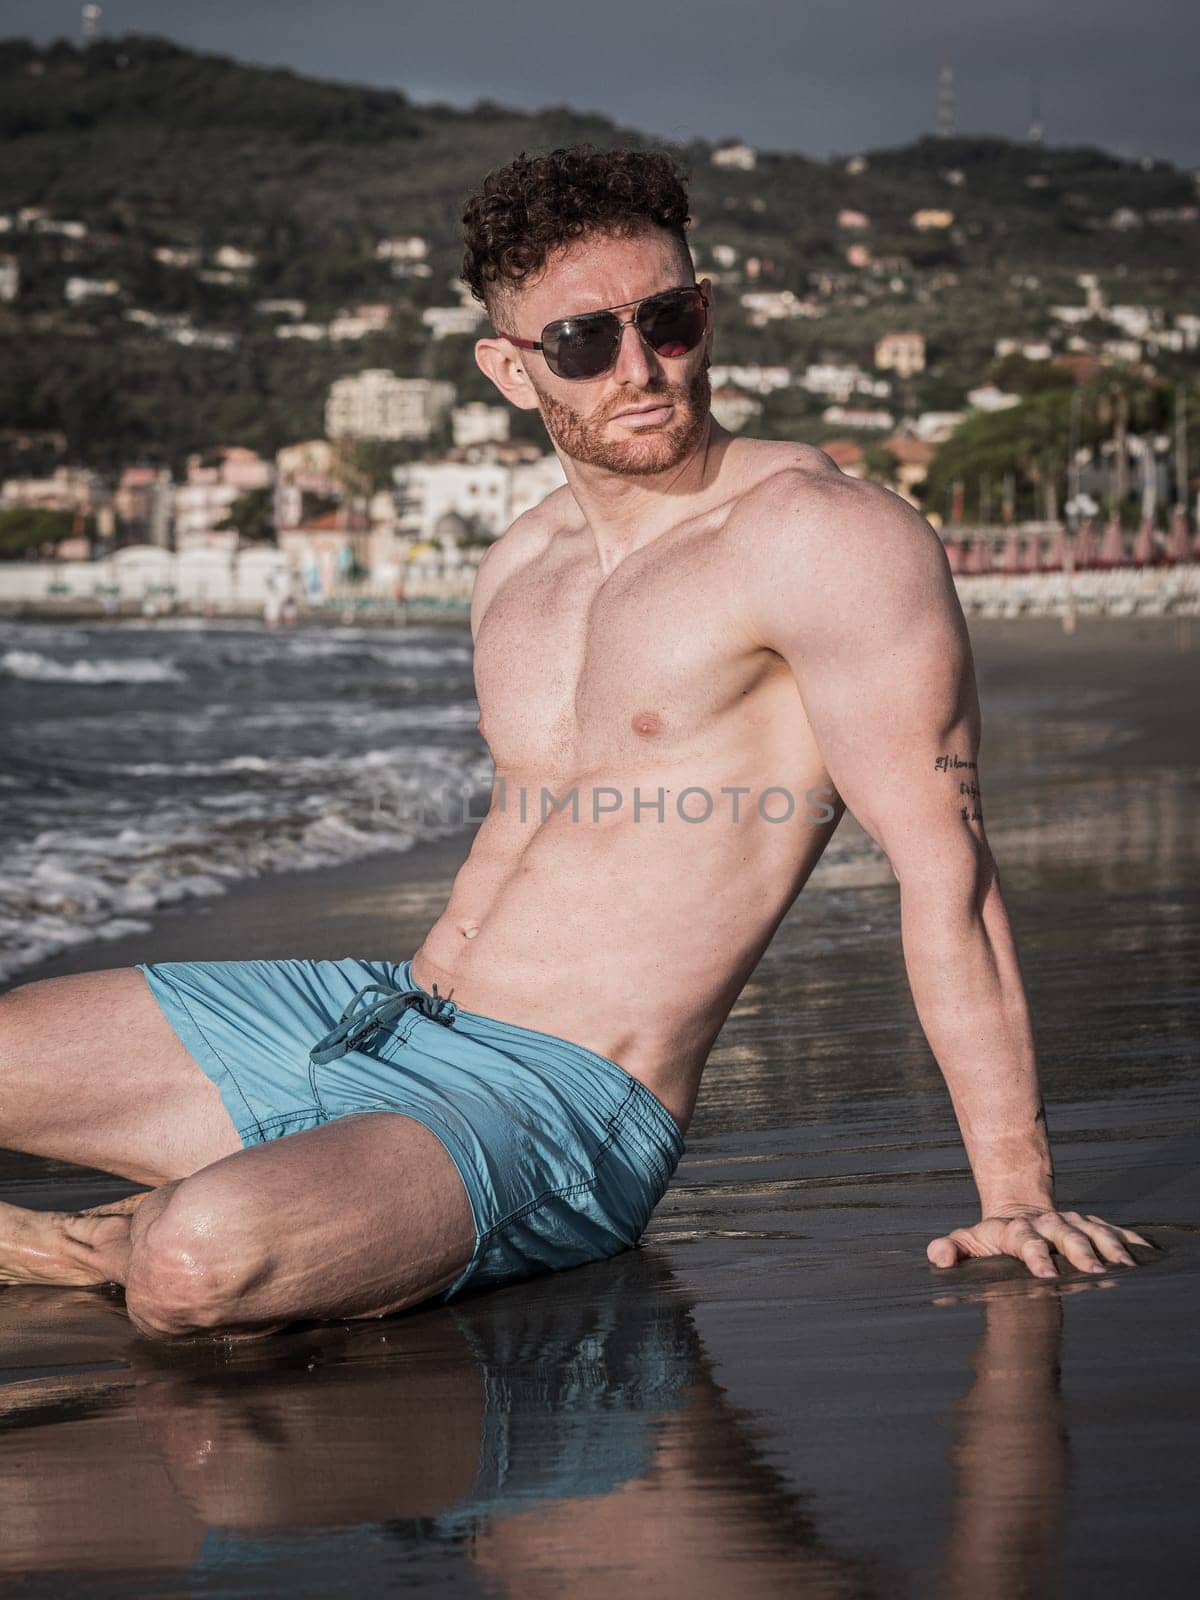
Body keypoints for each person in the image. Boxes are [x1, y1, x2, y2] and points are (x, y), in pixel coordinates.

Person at [0, 147, 1151, 1337]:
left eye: (671, 318)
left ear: (706, 309)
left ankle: (118, 1236)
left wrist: (1016, 1195)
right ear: (510, 367)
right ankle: (267, 1195)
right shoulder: (522, 562)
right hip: (382, 1007)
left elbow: (947, 872)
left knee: (196, 1264)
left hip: (564, 1096)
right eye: (584, 342)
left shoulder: (819, 538)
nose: (644, 368)